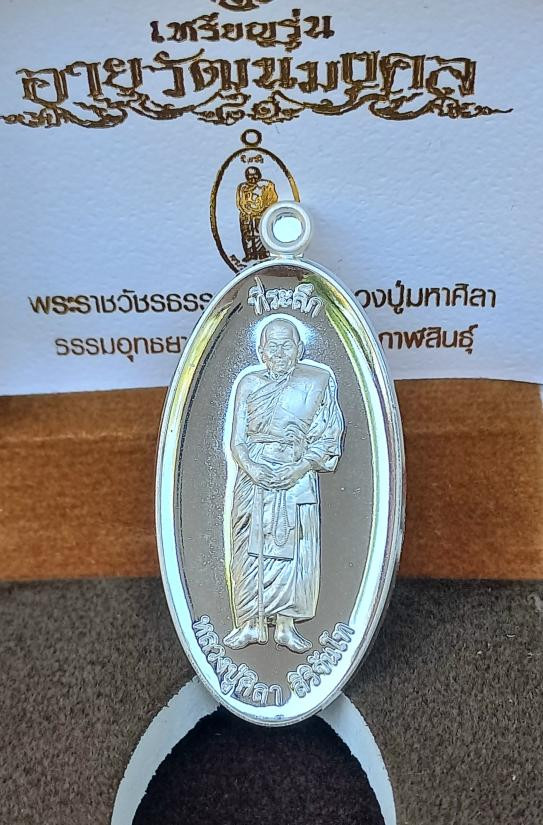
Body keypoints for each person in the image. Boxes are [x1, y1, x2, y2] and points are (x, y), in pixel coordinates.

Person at [223, 318, 344, 654]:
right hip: (254, 477)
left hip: (297, 472)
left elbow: (329, 434)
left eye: (286, 344)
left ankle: (287, 626)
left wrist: (299, 469)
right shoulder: (248, 383)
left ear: (299, 348)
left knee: (296, 549)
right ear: (261, 351)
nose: (278, 352)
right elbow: (237, 441)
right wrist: (253, 469)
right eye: (272, 346)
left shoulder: (318, 382)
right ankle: (250, 623)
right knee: (249, 548)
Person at [236, 167, 278, 261]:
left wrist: (262, 210)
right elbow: (240, 202)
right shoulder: (242, 187)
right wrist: (247, 211)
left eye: (255, 175)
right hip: (246, 216)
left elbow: (273, 200)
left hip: (261, 215)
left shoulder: (267, 185)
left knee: (261, 234)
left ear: (259, 175)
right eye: (250, 176)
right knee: (247, 235)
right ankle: (250, 254)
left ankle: (262, 253)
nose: (253, 178)